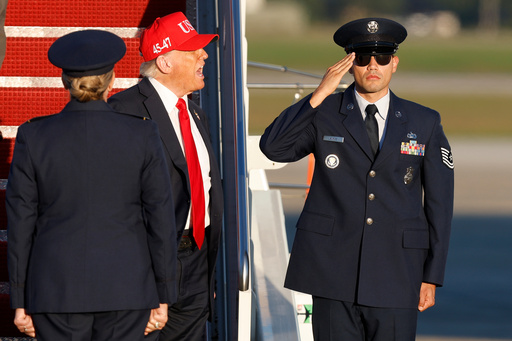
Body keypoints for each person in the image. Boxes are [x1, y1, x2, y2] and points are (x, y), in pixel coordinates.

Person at [260, 17, 454, 340]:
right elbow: (273, 147)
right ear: (350, 64)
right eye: (363, 58)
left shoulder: (425, 122)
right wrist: (318, 95)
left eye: (381, 57)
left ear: (395, 63)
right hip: (333, 274)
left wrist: (431, 276)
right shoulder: (324, 112)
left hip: (397, 274)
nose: (372, 65)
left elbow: (440, 206)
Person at [6, 29, 177, 340]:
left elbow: (20, 223)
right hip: (127, 289)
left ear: (64, 83)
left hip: (55, 290)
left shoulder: (34, 136)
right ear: (111, 82)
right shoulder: (142, 134)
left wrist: (19, 300)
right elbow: (161, 219)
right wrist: (163, 294)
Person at [108, 12, 223, 341]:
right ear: (165, 62)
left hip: (197, 263)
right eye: (193, 51)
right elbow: (115, 205)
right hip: (147, 270)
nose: (204, 55)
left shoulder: (193, 110)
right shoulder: (124, 112)